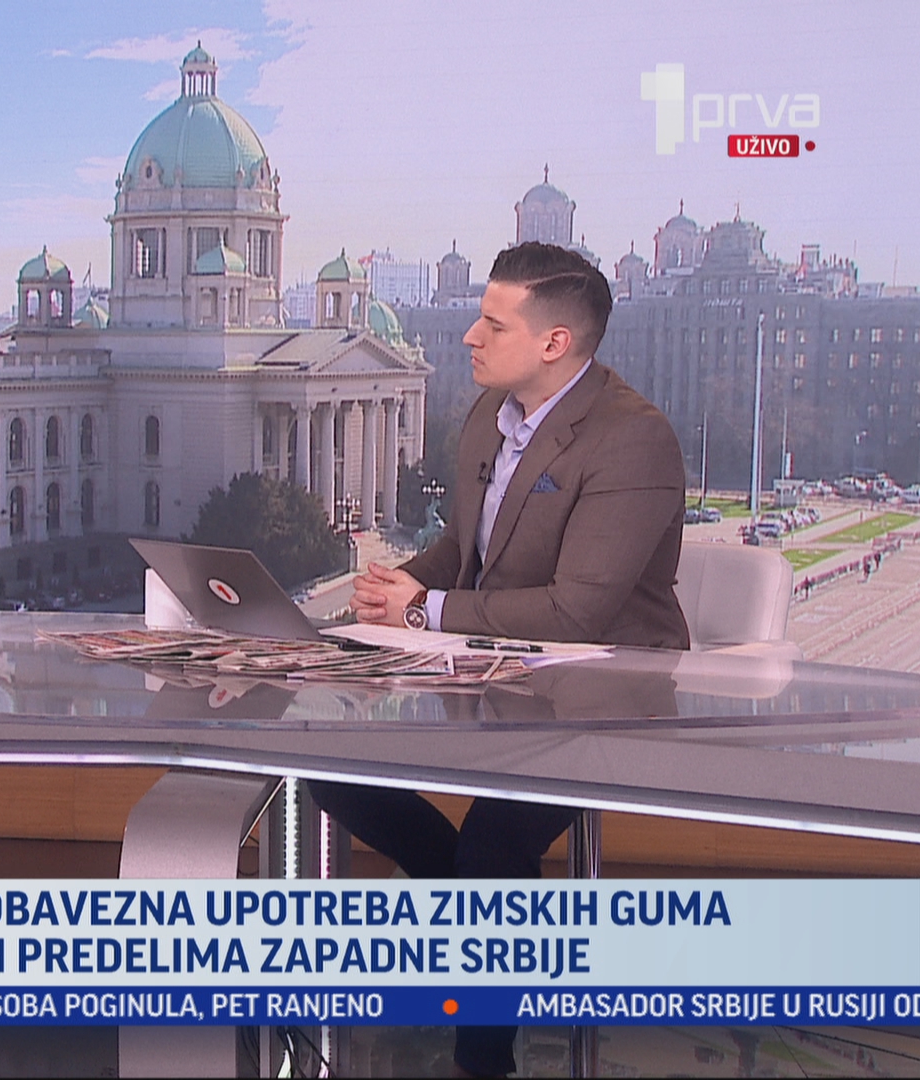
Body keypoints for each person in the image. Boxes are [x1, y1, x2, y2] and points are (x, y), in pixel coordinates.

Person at [322, 242, 688, 1077]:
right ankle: (483, 920)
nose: (469, 337)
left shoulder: (634, 439)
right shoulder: (491, 413)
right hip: (492, 669)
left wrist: (425, 609)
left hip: (604, 688)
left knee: (492, 844)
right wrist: (394, 589)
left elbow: (576, 613)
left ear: (555, 343)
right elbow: (465, 551)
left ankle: (482, 1060)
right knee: (328, 765)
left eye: (493, 323)